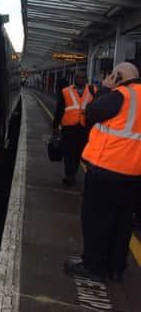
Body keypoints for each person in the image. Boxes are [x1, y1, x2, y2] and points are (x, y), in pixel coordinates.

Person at [64, 62, 141, 281]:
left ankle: (93, 266)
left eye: (112, 75)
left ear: (118, 76)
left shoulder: (121, 95)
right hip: (134, 174)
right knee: (122, 223)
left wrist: (106, 88)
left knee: (96, 220)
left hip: (107, 170)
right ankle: (115, 267)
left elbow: (92, 112)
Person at [52, 71, 95, 186]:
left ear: (86, 79)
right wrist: (55, 125)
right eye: (78, 77)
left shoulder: (93, 91)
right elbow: (59, 109)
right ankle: (69, 175)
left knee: (78, 153)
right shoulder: (66, 91)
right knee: (68, 152)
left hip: (84, 128)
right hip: (69, 127)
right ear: (74, 79)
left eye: (83, 77)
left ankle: (72, 172)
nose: (80, 79)